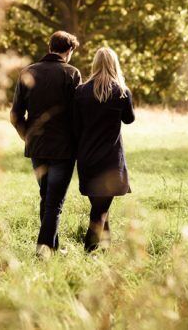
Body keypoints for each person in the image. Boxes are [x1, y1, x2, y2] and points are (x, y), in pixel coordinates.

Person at [10, 31, 82, 259]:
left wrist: (27, 136)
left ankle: (53, 247)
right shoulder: (71, 74)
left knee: (47, 197)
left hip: (37, 147)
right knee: (55, 201)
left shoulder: (28, 72)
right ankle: (43, 249)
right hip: (63, 148)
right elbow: (78, 115)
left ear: (50, 46)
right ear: (69, 50)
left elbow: (15, 114)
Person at [73, 47, 135, 252]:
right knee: (100, 210)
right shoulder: (121, 91)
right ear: (114, 64)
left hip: (87, 158)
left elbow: (76, 122)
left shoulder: (81, 91)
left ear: (95, 64)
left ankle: (106, 249)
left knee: (100, 206)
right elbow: (129, 119)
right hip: (110, 160)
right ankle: (89, 251)